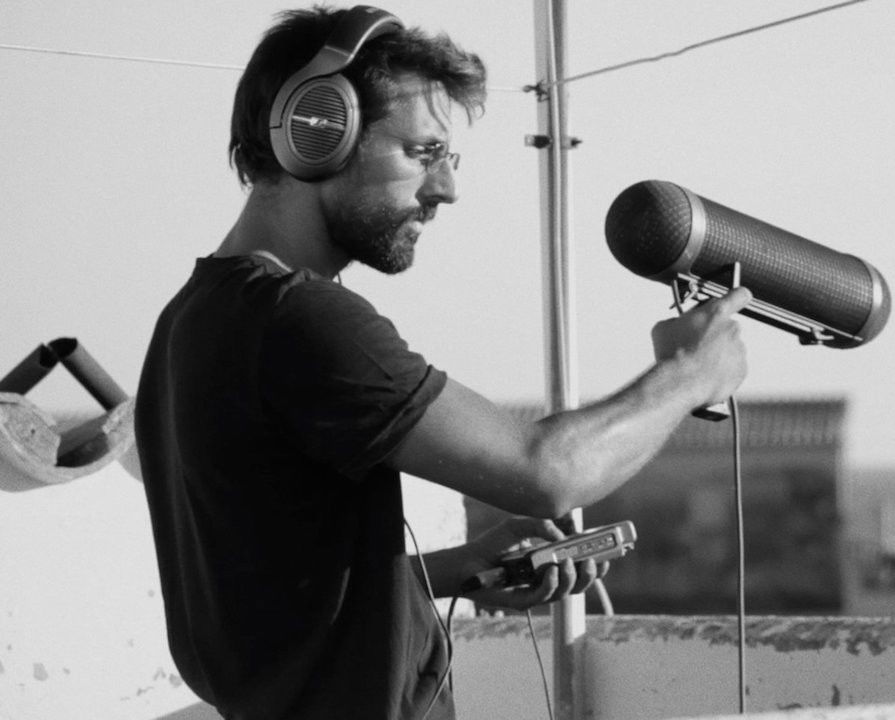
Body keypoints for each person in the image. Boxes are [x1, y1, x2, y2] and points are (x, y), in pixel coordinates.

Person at [133, 6, 750, 720]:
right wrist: (689, 374)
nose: (447, 190)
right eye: (422, 153)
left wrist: (452, 571)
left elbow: (261, 599)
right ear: (316, 133)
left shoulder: (192, 317)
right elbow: (545, 472)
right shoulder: (298, 320)